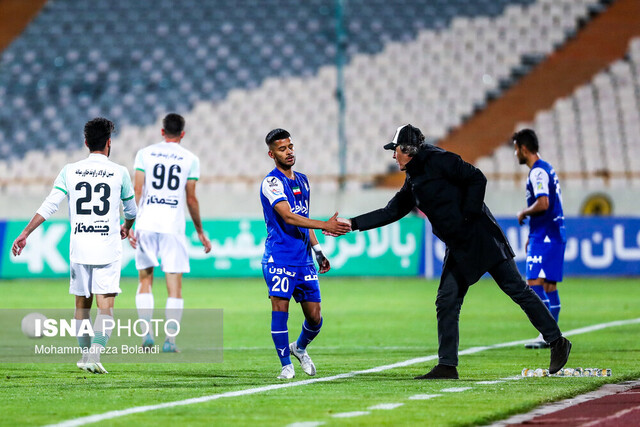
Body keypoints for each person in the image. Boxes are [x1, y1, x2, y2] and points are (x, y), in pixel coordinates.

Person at [338, 124, 571, 379]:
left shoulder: (439, 159)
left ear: (408, 149)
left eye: (396, 150)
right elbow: (391, 211)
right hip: (460, 246)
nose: (394, 156)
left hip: (481, 237)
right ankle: (447, 365)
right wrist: (352, 224)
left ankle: (557, 341)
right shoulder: (413, 179)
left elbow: (477, 177)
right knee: (447, 300)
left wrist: (469, 219)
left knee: (517, 289)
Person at [12, 118, 137, 374]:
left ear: (86, 142)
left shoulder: (70, 170)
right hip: (107, 248)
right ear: (109, 143)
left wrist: (25, 233)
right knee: (106, 308)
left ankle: (85, 356)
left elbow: (50, 204)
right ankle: (94, 355)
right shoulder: (120, 172)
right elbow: (132, 210)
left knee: (82, 307)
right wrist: (127, 225)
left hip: (79, 248)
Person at [260, 128, 351, 379]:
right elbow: (288, 216)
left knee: (315, 317)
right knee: (280, 310)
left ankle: (299, 348)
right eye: (282, 149)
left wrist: (318, 250)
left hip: (304, 260)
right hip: (279, 258)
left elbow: (303, 219)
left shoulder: (303, 180)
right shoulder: (272, 183)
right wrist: (326, 226)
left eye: (290, 147)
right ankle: (285, 366)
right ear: (271, 153)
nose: (288, 152)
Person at [128, 113, 211, 353]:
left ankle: (146, 336)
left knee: (145, 280)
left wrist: (131, 224)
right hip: (172, 227)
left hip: (146, 223)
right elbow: (191, 198)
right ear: (182, 134)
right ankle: (170, 341)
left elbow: (137, 190)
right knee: (174, 287)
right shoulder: (190, 159)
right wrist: (200, 231)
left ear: (162, 132)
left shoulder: (144, 153)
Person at [514, 129, 566, 349]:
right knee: (549, 286)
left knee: (534, 282)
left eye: (516, 149)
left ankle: (547, 334)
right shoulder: (547, 168)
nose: (516, 153)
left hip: (545, 235)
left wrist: (525, 213)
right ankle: (553, 337)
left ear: (524, 149)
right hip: (552, 232)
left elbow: (543, 203)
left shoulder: (537, 172)